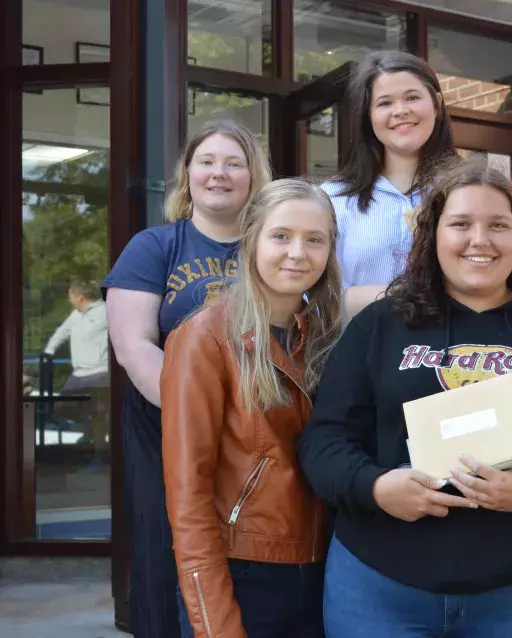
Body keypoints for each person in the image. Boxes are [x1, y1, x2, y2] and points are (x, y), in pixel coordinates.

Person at [298, 157, 512, 637]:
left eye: (498, 225)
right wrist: (376, 488)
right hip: (381, 586)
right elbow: (324, 441)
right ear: (433, 234)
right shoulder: (380, 324)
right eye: (461, 224)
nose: (479, 239)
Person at [102, 120, 272, 637]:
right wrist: (195, 418)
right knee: (168, 549)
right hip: (165, 428)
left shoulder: (272, 246)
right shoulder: (155, 246)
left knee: (250, 551)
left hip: (259, 427)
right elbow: (134, 347)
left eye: (234, 163)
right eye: (207, 161)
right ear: (188, 175)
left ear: (253, 177)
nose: (218, 173)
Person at [163, 179, 341, 637]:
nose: (298, 252)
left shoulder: (326, 339)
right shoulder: (204, 337)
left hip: (324, 568)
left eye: (315, 239)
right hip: (242, 572)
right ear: (252, 240)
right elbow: (189, 501)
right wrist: (216, 623)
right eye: (281, 236)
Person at [319, 50, 455, 320]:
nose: (401, 111)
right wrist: (405, 295)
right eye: (384, 103)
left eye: (412, 97)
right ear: (367, 116)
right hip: (357, 353)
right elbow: (311, 296)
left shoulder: (466, 193)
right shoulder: (331, 200)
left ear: (437, 104)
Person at [43, 280, 110, 447]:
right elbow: (61, 333)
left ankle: (97, 439)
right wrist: (48, 352)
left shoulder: (105, 311)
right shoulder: (76, 314)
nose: (69, 300)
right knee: (61, 407)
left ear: (80, 297)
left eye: (71, 296)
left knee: (100, 410)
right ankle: (93, 426)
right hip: (78, 374)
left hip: (99, 372)